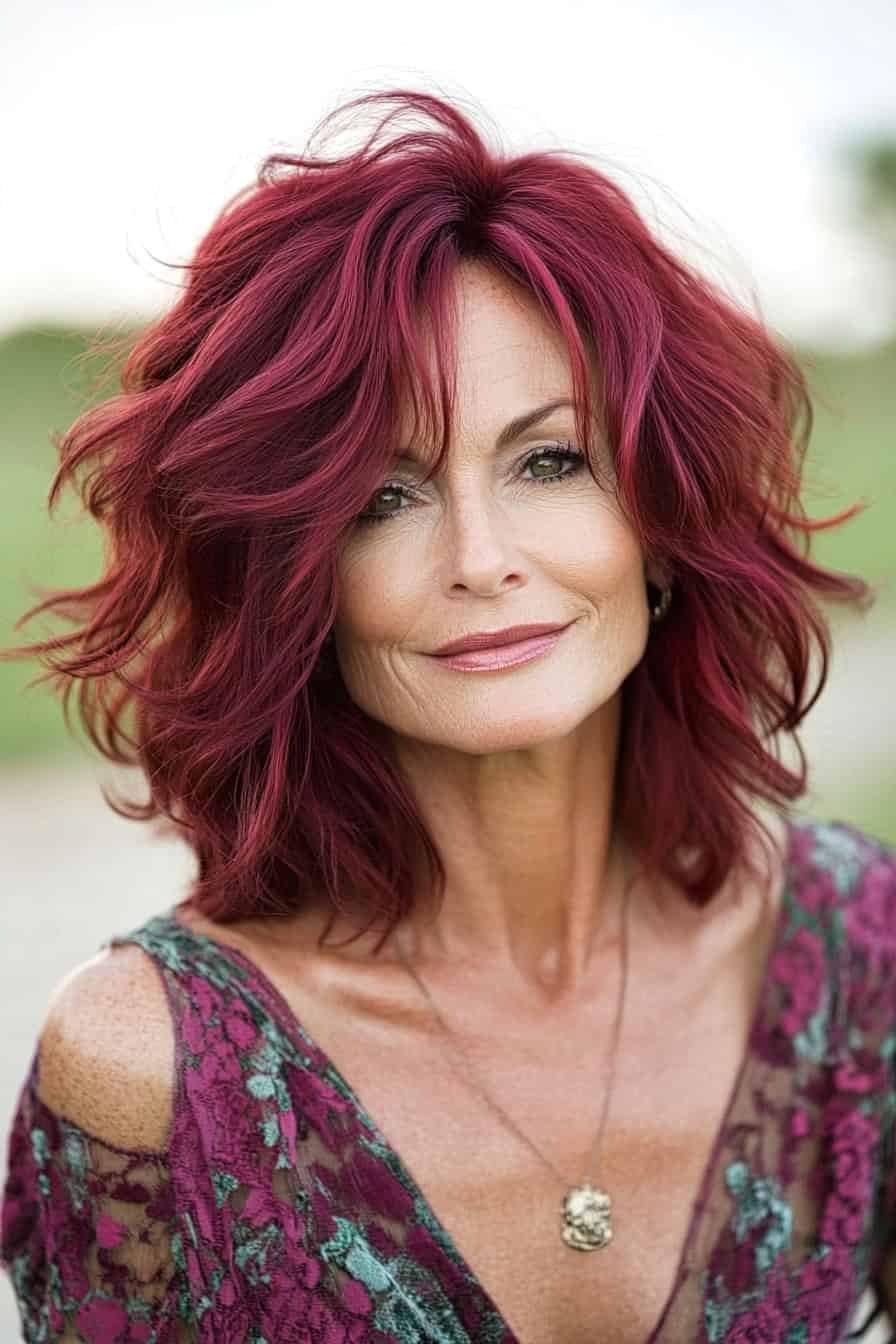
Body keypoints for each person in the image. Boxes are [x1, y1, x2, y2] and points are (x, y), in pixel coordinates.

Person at [1, 86, 895, 1344]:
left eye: (548, 461)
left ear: (662, 520)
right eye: (382, 497)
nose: (479, 559)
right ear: (286, 573)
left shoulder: (857, 953)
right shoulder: (152, 1071)